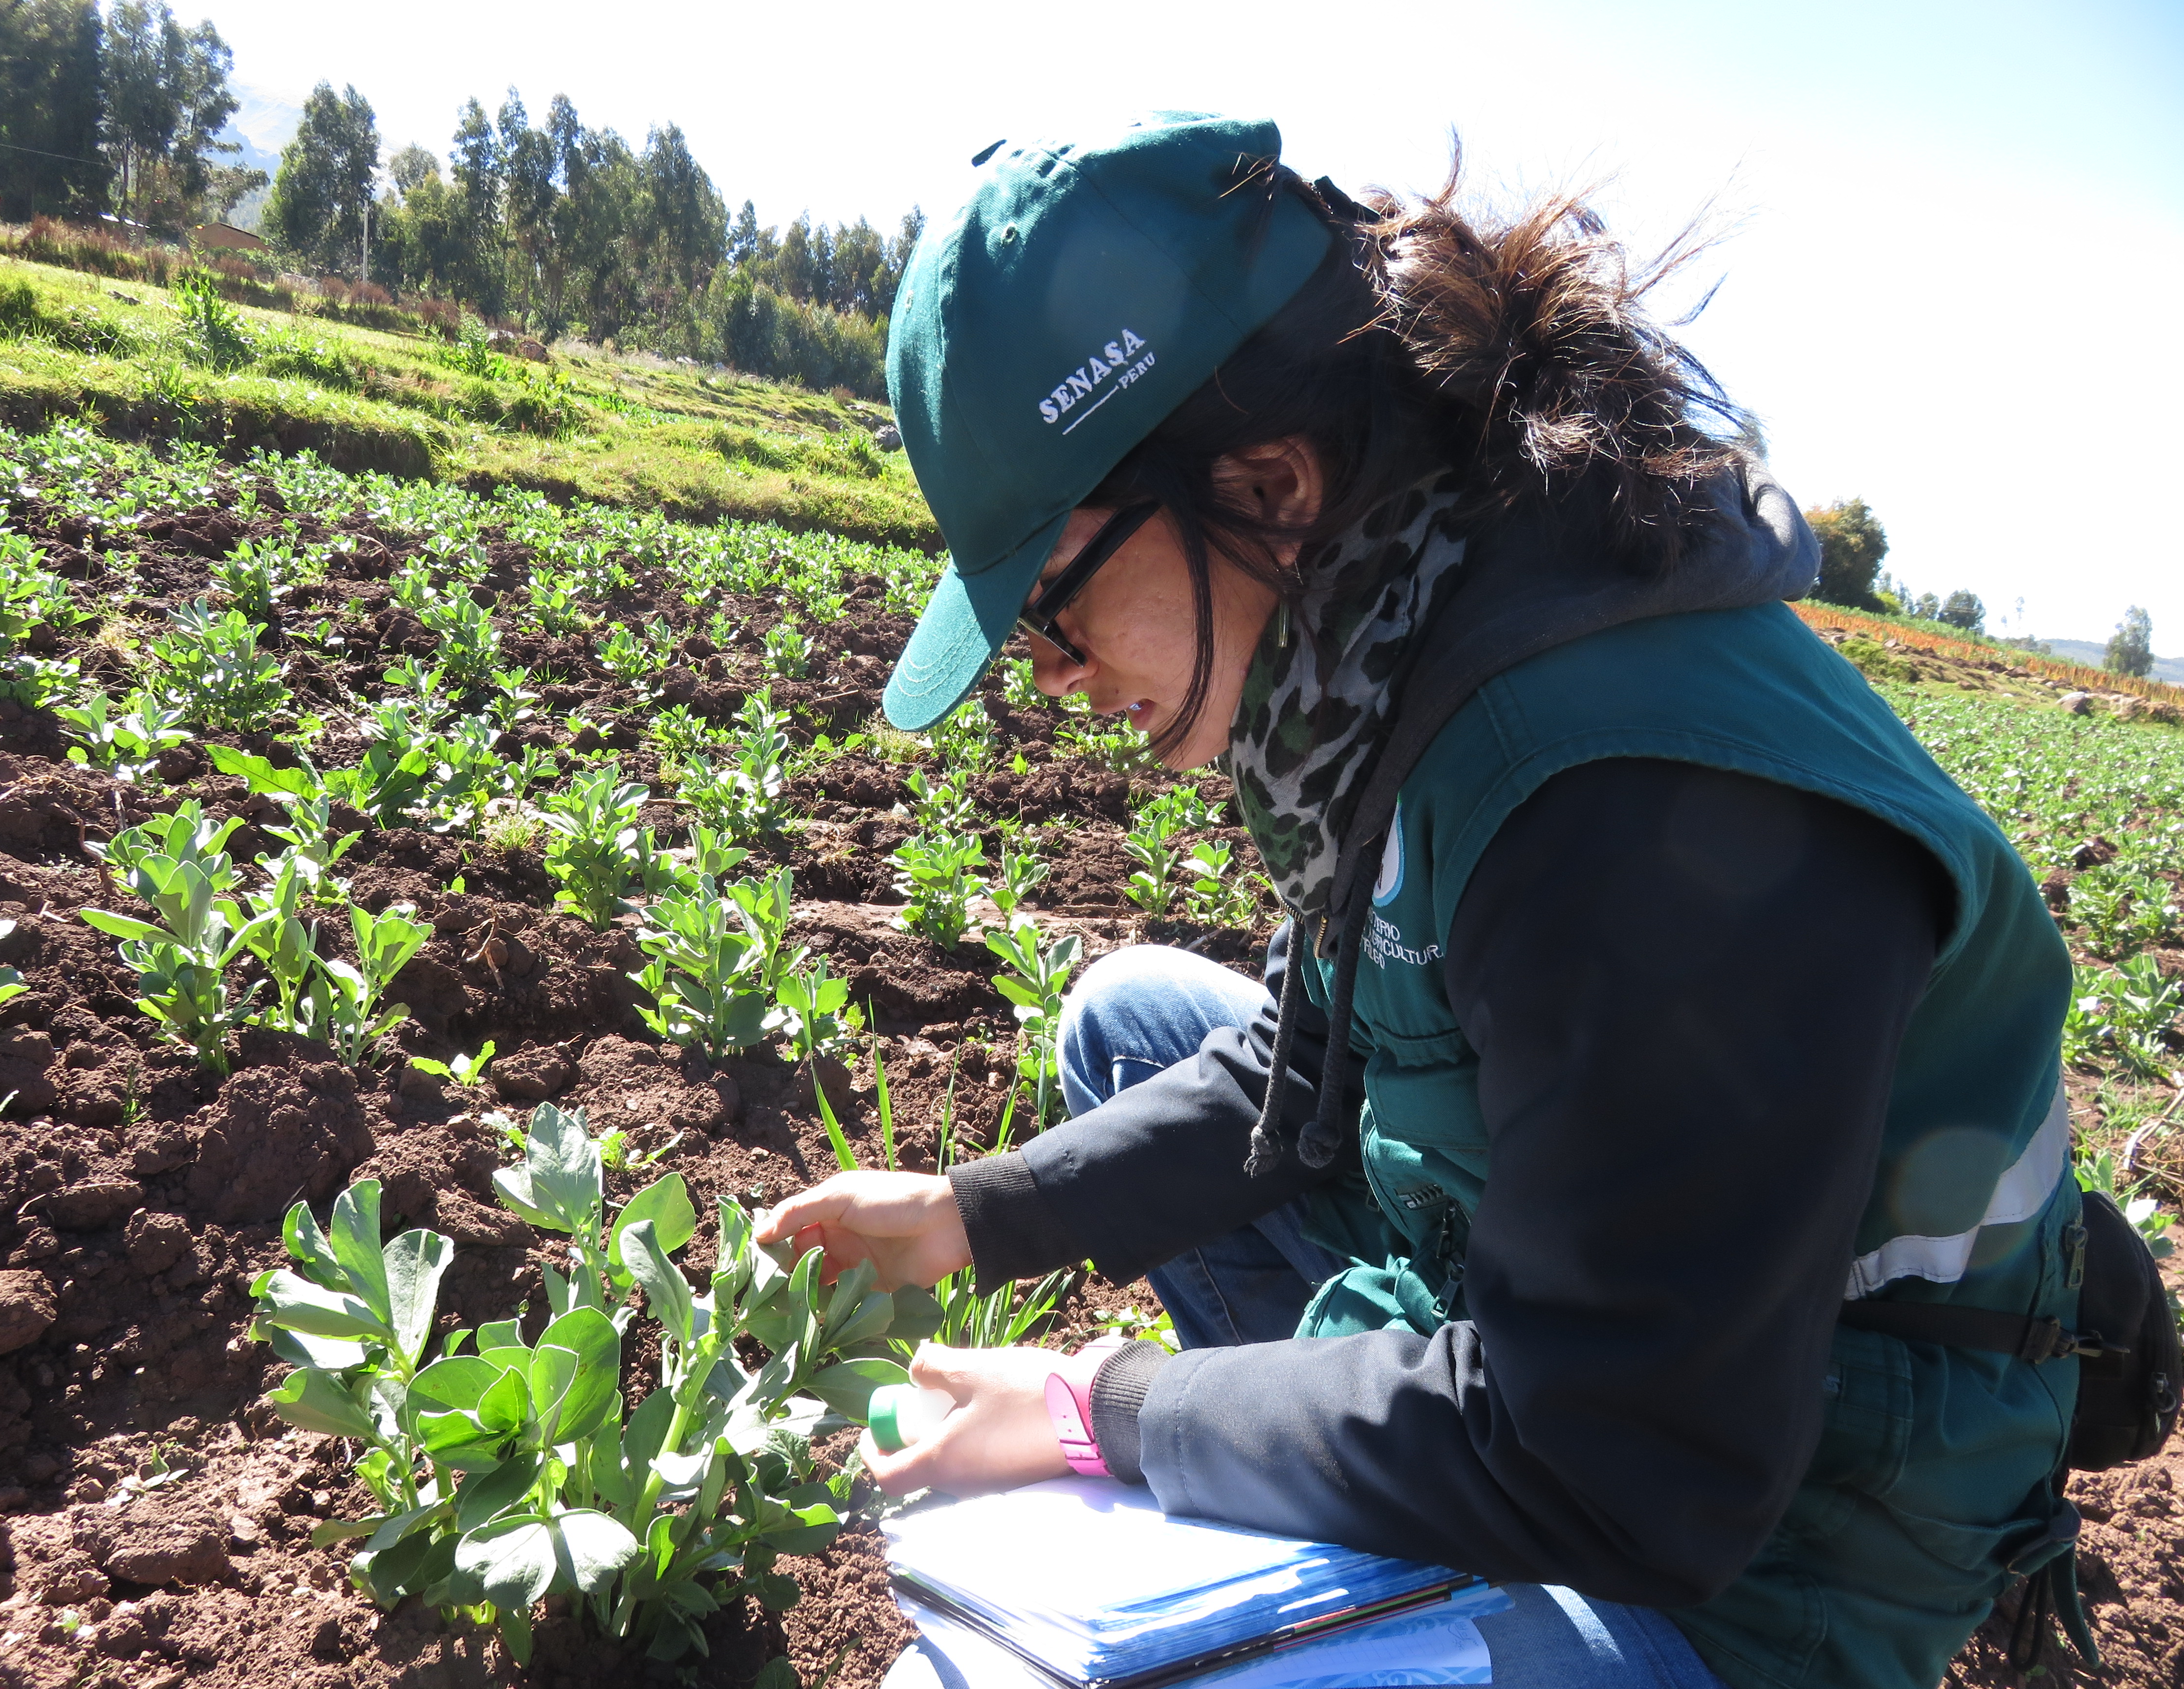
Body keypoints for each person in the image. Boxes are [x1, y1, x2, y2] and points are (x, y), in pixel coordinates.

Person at [758, 114, 2081, 1689]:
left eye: (1053, 602)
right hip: (1569, 1344)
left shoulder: (1626, 805)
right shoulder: (1410, 632)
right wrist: (976, 1216)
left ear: (1271, 485)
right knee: (1130, 1024)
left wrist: (1100, 1413)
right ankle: (1308, 1510)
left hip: (1775, 1542)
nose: (1048, 675)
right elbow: (1310, 1064)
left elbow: (1617, 1466)